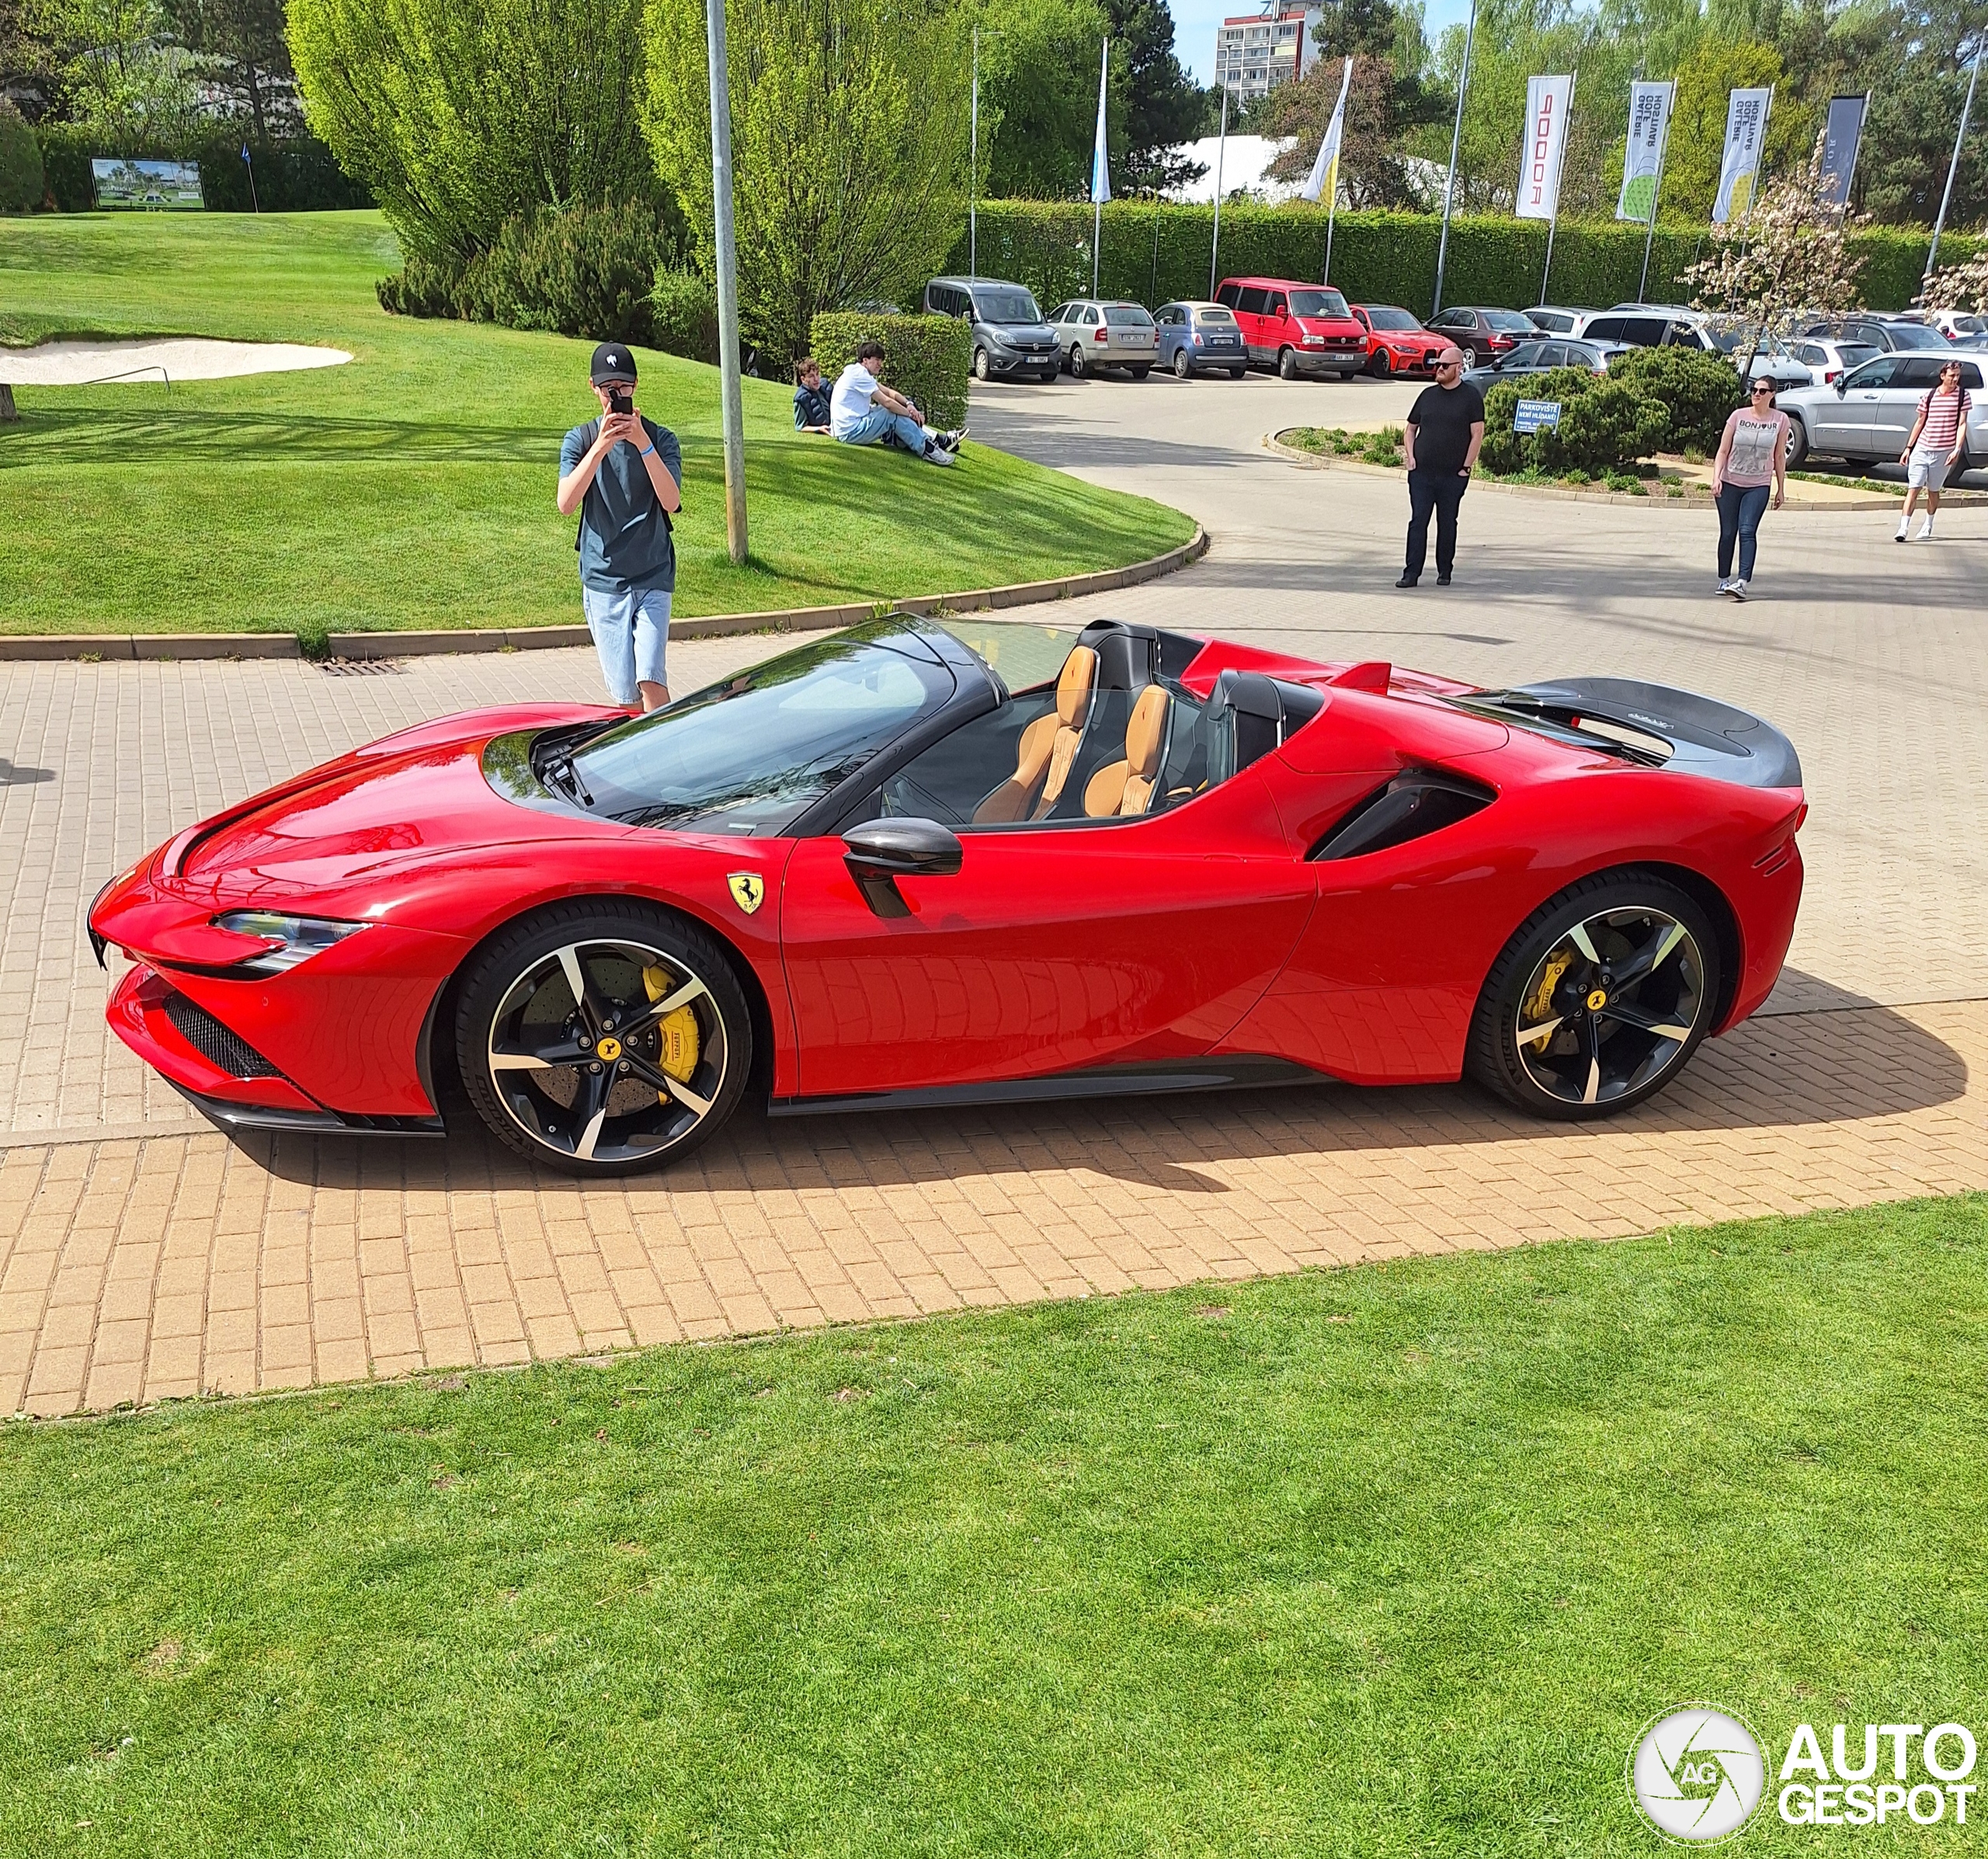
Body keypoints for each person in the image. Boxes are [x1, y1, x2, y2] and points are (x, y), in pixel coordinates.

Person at [557, 342, 683, 714]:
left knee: (651, 679)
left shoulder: (661, 438)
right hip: (604, 579)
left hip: (653, 574)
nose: (617, 396)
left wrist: (642, 442)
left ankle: (676, 757)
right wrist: (600, 447)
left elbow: (671, 501)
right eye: (608, 388)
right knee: (628, 697)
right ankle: (638, 763)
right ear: (593, 388)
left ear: (636, 386)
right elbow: (566, 503)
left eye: (624, 387)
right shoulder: (579, 440)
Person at [1398, 348, 1484, 588]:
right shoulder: (1427, 396)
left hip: (1452, 476)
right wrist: (1411, 457)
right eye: (1438, 365)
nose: (1440, 369)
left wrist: (1466, 467)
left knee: (1447, 523)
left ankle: (1444, 570)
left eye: (1445, 365)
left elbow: (1477, 434)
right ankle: (1411, 573)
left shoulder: (1470, 397)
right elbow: (1410, 429)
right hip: (1422, 474)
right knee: (1418, 521)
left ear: (1458, 368)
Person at [1710, 377, 1788, 600]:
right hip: (1730, 482)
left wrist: (1781, 488)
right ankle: (1724, 578)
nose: (1756, 394)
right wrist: (1716, 478)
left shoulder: (1780, 420)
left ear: (1772, 394)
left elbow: (1780, 456)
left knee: (1747, 530)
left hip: (1758, 485)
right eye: (1754, 390)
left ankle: (1742, 582)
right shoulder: (1738, 416)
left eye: (1762, 391)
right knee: (1728, 534)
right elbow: (1723, 451)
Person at [829, 341, 964, 466]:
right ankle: (928, 449)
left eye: (881, 360)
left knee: (894, 410)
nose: (880, 364)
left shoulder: (858, 372)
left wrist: (908, 404)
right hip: (849, 433)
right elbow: (887, 402)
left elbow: (888, 392)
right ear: (865, 360)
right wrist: (911, 415)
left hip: (850, 428)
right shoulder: (859, 375)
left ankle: (930, 441)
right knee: (890, 412)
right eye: (877, 360)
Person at [1896, 356, 1972, 542]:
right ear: (1942, 376)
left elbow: (1962, 424)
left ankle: (1928, 524)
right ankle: (1903, 529)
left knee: (1933, 490)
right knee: (1913, 488)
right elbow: (1920, 421)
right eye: (1952, 375)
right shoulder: (1930, 396)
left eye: (1958, 376)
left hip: (1943, 452)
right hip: (1922, 448)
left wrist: (1956, 449)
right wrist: (1908, 448)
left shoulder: (1963, 396)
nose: (1955, 379)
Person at [793, 356, 832, 433]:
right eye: (811, 376)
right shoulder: (801, 398)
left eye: (817, 374)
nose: (816, 379)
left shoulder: (826, 386)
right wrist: (819, 429)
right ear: (803, 379)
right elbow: (800, 427)